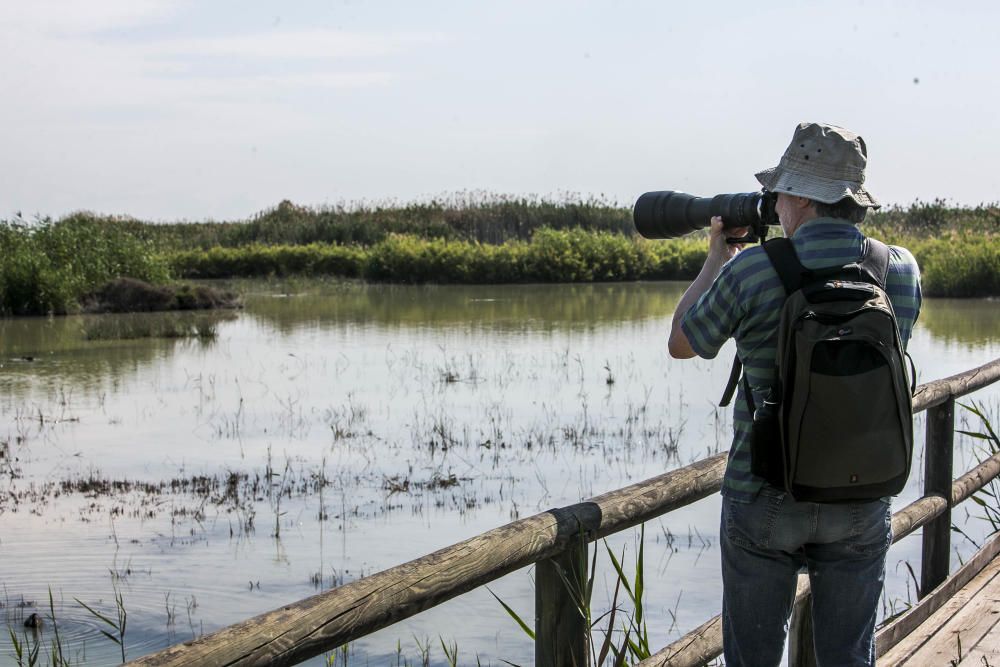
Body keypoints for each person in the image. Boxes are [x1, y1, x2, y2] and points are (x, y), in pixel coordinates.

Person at [667, 122, 922, 666]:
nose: (773, 202)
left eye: (780, 190)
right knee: (849, 659)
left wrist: (717, 257)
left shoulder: (755, 269)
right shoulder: (896, 269)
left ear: (803, 196)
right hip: (862, 493)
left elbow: (683, 341)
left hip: (763, 494)